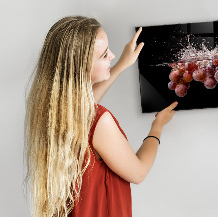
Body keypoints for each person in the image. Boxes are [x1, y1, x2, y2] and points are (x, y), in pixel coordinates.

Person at [24, 16, 177, 217]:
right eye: (105, 55)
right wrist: (157, 126)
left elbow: (85, 108)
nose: (112, 55)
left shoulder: (53, 111)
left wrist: (122, 64)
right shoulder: (99, 121)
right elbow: (138, 172)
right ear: (81, 68)